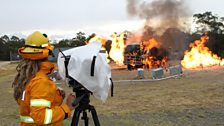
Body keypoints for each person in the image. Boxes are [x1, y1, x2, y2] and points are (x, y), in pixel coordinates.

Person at [12, 31, 77, 125]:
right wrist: (68, 107)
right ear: (47, 53)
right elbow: (40, 117)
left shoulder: (27, 77)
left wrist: (55, 94)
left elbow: (31, 101)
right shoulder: (40, 81)